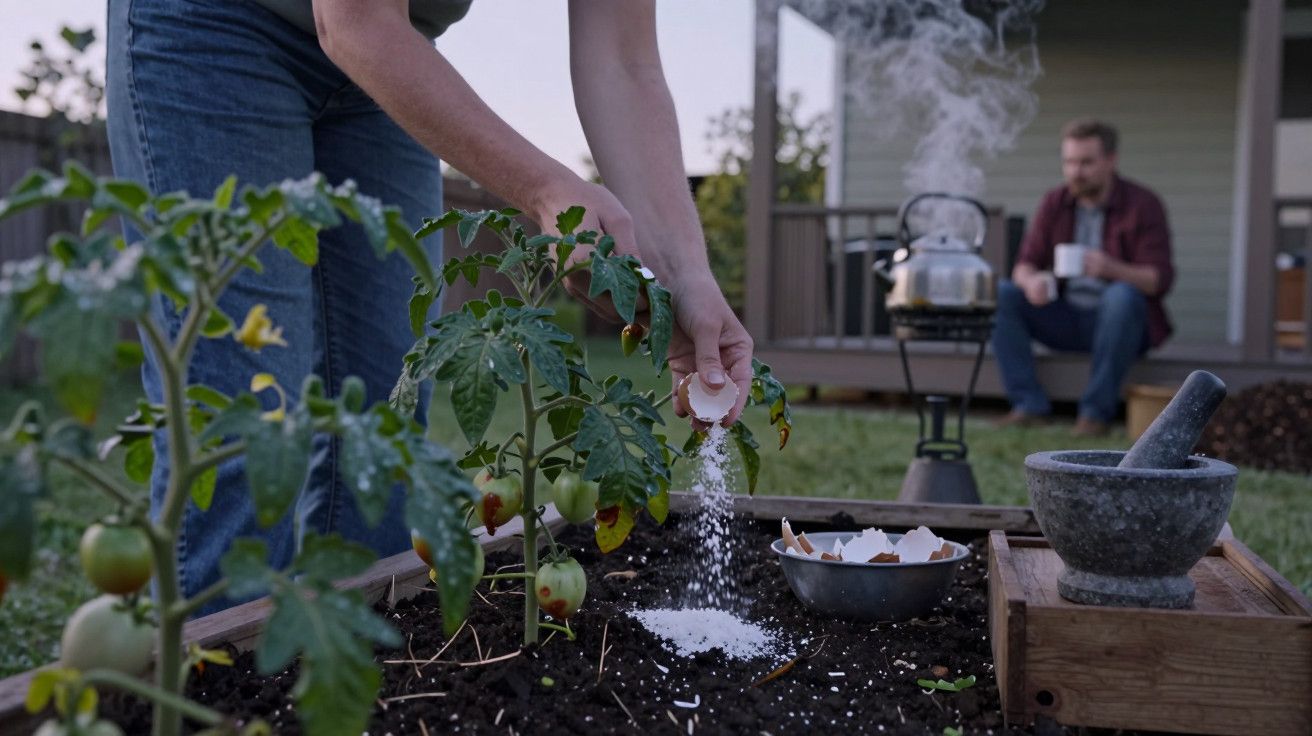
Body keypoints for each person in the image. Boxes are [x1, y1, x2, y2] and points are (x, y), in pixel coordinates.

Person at [106, 0, 752, 613]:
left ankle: (345, 691)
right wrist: (548, 190)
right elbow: (353, 20)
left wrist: (687, 273)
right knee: (241, 413)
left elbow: (624, 63)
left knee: (384, 422)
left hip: (392, 56)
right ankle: (206, 703)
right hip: (218, 31)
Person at [992, 119, 1174, 436]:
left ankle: (1094, 414)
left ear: (1111, 160)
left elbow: (1158, 280)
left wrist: (1110, 269)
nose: (1076, 171)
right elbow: (1024, 265)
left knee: (1121, 295)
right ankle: (1028, 404)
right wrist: (1032, 281)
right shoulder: (1054, 202)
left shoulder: (1143, 205)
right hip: (1065, 315)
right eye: (1070, 162)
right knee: (1002, 293)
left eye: (1086, 162)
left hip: (1122, 324)